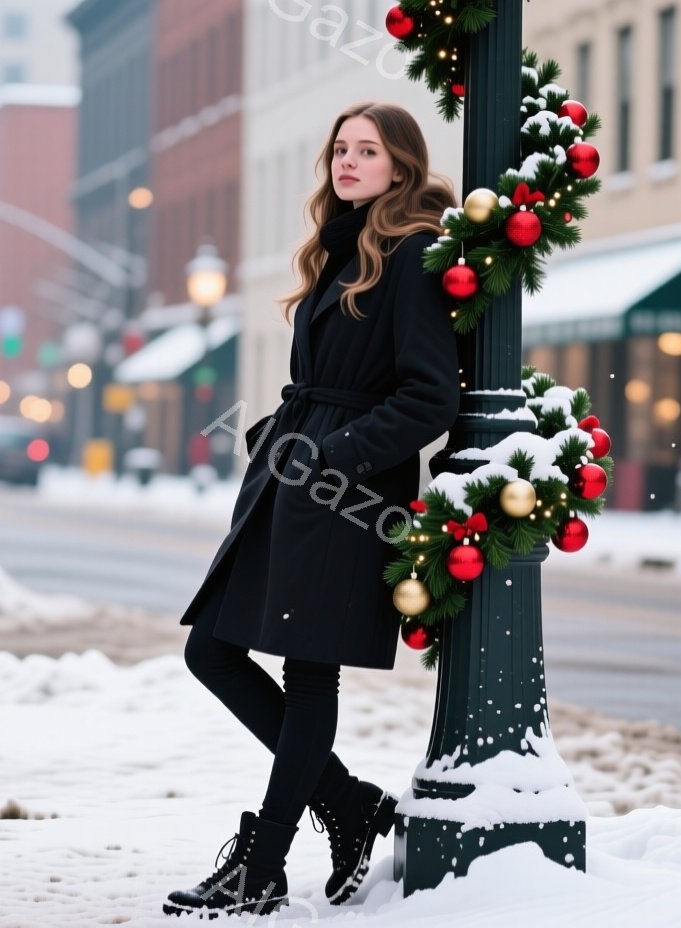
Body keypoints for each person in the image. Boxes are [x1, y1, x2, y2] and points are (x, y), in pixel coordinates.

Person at [164, 102, 460, 918]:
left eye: (368, 150)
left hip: (347, 491)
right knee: (211, 651)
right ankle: (351, 807)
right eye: (340, 148)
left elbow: (430, 397)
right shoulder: (342, 246)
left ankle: (261, 867)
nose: (348, 161)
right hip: (296, 474)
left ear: (402, 165)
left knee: (308, 671)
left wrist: (333, 453)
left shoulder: (414, 254)